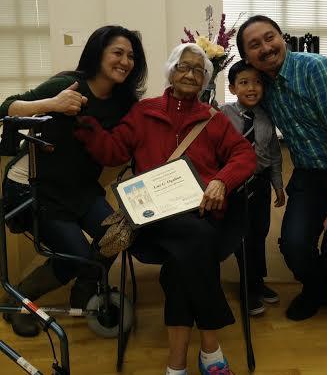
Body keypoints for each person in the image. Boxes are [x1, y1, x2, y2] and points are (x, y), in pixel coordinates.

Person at [75, 43, 257, 375]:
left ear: (205, 80)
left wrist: (221, 181)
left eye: (198, 70)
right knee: (197, 239)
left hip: (199, 214)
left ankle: (176, 365)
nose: (190, 74)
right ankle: (211, 349)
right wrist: (86, 124)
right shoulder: (145, 112)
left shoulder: (212, 120)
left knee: (181, 263)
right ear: (171, 71)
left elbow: (244, 155)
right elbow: (113, 151)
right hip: (153, 222)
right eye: (183, 67)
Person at [236, 15, 327, 332]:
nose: (265, 47)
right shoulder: (264, 88)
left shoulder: (315, 68)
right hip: (310, 174)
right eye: (254, 45)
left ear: (282, 37)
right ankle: (318, 291)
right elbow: (238, 112)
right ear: (247, 58)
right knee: (294, 244)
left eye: (269, 36)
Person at [0, 25, 147, 337]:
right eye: (117, 53)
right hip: (33, 187)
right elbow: (6, 108)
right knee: (76, 255)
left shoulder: (125, 103)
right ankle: (19, 303)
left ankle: (86, 291)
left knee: (118, 234)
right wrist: (51, 104)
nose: (125, 61)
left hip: (78, 188)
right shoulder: (70, 84)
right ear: (98, 54)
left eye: (131, 56)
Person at [220, 60, 285, 316]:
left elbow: (274, 154)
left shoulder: (266, 117)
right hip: (234, 186)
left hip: (259, 183)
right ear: (233, 88)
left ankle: (258, 281)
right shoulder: (223, 114)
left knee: (259, 233)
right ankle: (247, 288)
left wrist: (277, 185)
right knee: (242, 236)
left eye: (257, 82)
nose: (252, 88)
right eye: (244, 82)